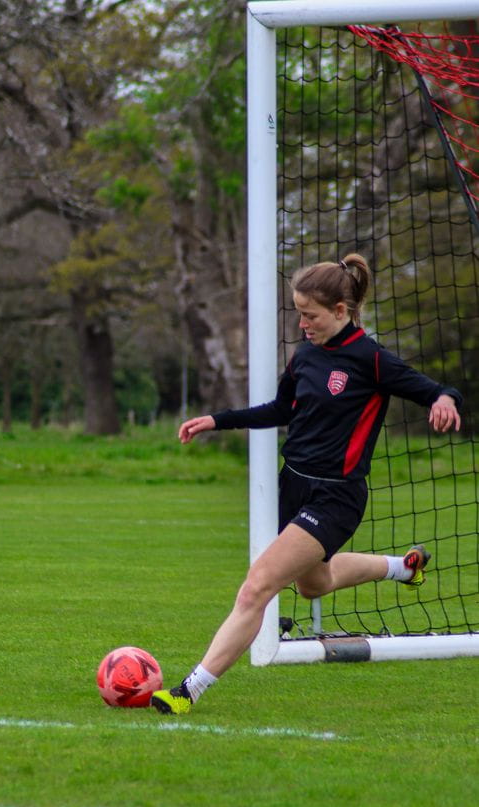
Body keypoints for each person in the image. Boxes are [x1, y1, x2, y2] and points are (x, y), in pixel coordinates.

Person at [152, 252, 462, 715]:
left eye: (310, 315)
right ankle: (403, 567)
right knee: (313, 585)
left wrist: (445, 401)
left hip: (336, 497)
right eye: (298, 313)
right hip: (292, 486)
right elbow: (280, 411)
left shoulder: (370, 359)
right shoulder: (306, 356)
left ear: (341, 311)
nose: (302, 324)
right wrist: (217, 419)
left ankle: (186, 690)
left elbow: (434, 389)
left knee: (256, 588)